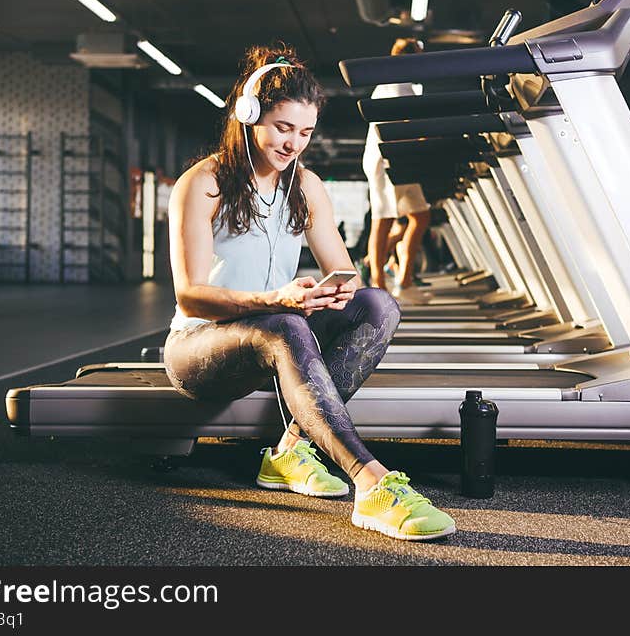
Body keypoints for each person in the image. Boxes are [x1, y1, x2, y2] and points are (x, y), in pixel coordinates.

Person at [163, 44, 455, 541]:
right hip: (199, 348)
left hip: (277, 327)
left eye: (305, 132)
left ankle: (289, 452)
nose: (294, 143)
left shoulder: (307, 186)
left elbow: (344, 270)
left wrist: (334, 292)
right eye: (283, 128)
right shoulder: (203, 183)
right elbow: (192, 296)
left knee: (378, 305)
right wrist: (277, 299)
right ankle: (371, 481)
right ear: (249, 117)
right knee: (284, 322)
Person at [362, 37, 433, 304]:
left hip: (401, 160)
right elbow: (411, 126)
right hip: (385, 161)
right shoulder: (393, 85)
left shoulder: (408, 85)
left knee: (421, 216)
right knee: (384, 220)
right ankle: (378, 283)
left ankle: (404, 280)